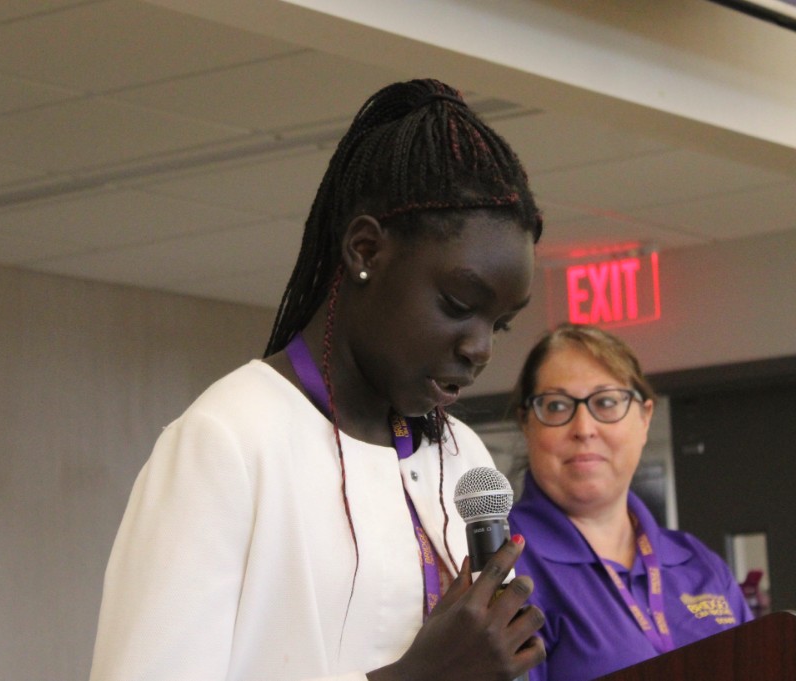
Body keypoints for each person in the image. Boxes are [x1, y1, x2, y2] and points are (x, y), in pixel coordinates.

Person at [88, 78, 547, 681]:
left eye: (501, 325)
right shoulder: (229, 441)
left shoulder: (461, 456)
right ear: (365, 250)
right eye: (460, 304)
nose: (480, 348)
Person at [508, 323, 753, 681]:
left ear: (645, 418)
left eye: (606, 402)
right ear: (526, 423)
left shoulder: (700, 565)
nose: (584, 427)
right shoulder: (504, 565)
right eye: (557, 405)